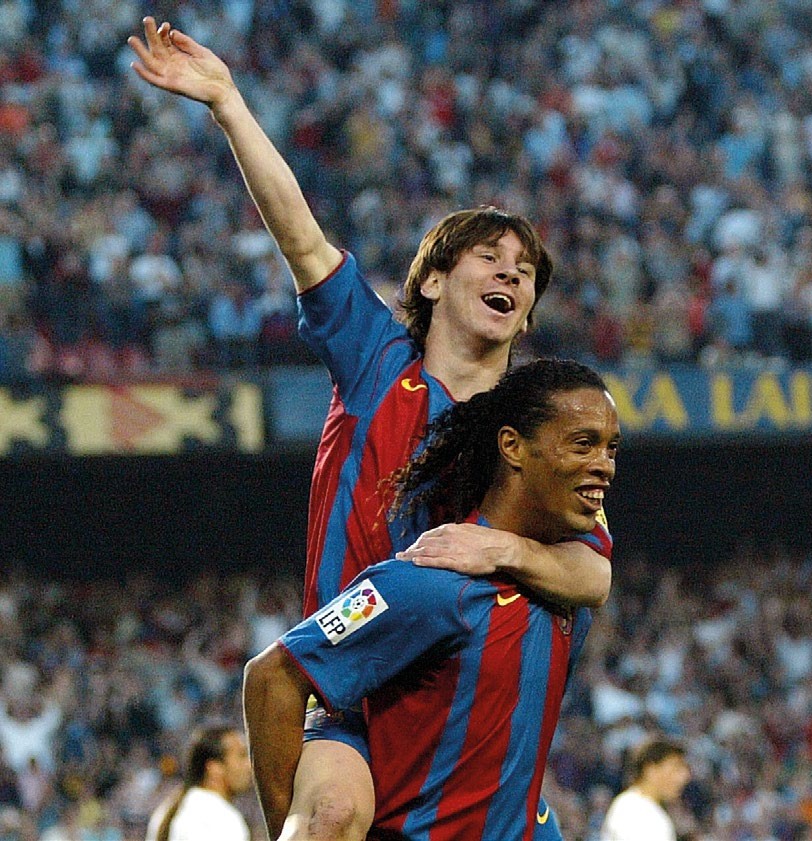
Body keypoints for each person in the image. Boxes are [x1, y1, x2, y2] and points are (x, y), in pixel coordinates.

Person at [128, 19, 611, 841]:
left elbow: (592, 571)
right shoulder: (377, 361)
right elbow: (301, 236)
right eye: (489, 258)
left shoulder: (533, 427)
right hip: (352, 688)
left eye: (523, 272)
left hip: (466, 699)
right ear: (428, 281)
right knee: (334, 812)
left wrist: (500, 550)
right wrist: (227, 104)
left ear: (527, 316)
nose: (509, 273)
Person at [253, 358, 620, 840]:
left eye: (611, 449)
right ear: (512, 446)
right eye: (583, 444)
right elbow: (272, 676)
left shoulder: (572, 562)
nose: (605, 467)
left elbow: (598, 577)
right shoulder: (428, 581)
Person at [146, 725, 253, 841]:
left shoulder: (165, 812)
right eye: (241, 756)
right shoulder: (221, 819)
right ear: (214, 768)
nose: (249, 765)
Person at [598, 738, 691, 841]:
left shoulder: (631, 803)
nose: (684, 776)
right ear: (651, 770)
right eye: (675, 769)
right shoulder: (640, 813)